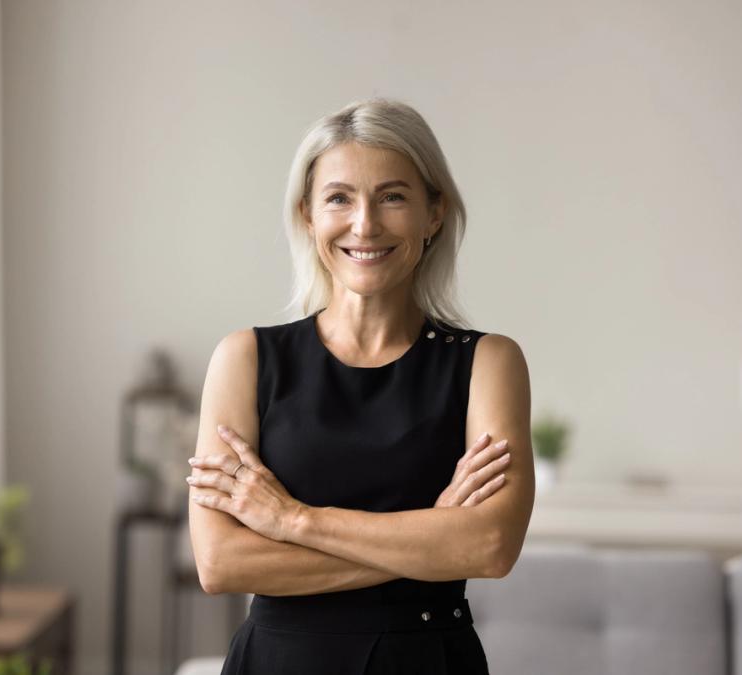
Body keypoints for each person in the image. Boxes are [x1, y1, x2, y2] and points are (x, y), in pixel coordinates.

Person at [186, 97, 534, 674]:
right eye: (339, 198)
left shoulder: (489, 363)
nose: (365, 224)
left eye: (392, 197)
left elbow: (491, 547)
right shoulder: (244, 359)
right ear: (308, 215)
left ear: (434, 213)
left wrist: (293, 521)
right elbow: (221, 563)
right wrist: (429, 541)